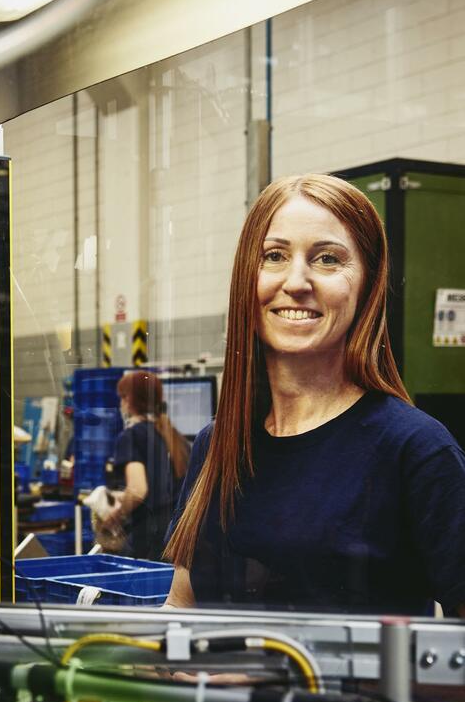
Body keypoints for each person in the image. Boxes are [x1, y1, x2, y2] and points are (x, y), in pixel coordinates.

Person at [163, 174, 465, 617]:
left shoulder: (416, 450)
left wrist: (276, 682)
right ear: (247, 276)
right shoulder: (219, 444)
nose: (297, 281)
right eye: (274, 256)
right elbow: (180, 608)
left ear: (366, 285)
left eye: (327, 259)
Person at [98, 369, 190, 561]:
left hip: (147, 541)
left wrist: (115, 515)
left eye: (122, 397)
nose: (121, 403)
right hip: (176, 539)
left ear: (129, 400)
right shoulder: (175, 437)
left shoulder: (131, 436)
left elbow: (138, 490)